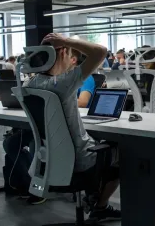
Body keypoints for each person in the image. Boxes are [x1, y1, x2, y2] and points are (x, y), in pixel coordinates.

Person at [24, 34, 120, 222]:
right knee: (122, 152)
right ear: (61, 53)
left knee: (99, 146)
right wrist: (67, 41)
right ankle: (100, 205)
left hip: (48, 160)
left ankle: (92, 197)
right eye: (68, 53)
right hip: (79, 160)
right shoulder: (63, 83)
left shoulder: (30, 84)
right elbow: (101, 52)